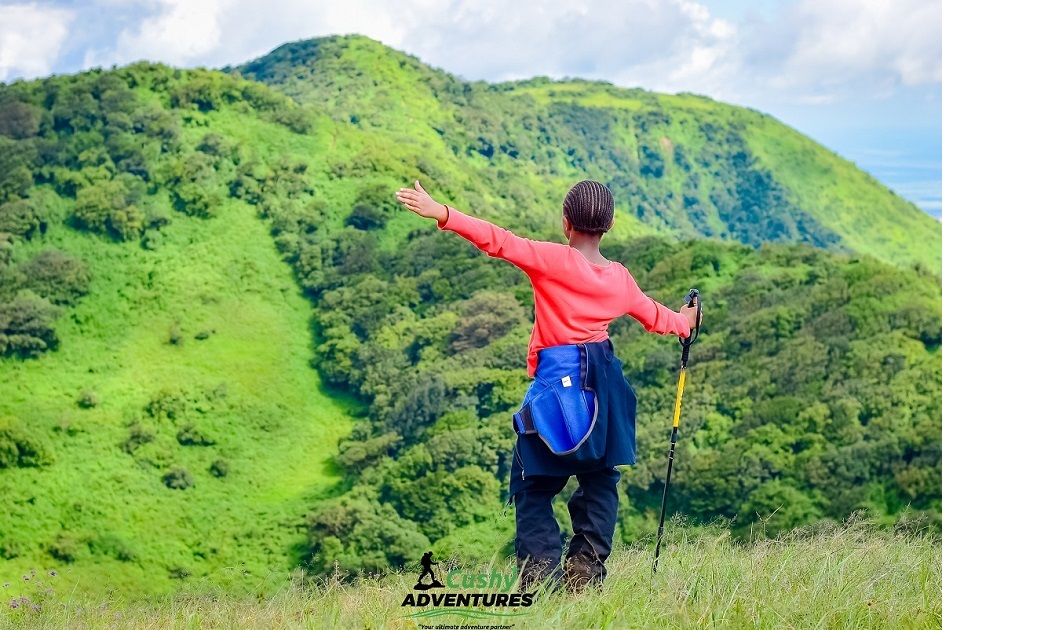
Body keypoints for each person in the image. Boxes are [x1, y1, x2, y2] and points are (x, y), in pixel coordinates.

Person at [395, 179, 698, 592]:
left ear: (565, 222)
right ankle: (585, 572)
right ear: (608, 225)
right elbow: (661, 320)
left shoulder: (554, 260)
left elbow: (498, 240)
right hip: (603, 391)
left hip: (556, 392)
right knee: (601, 477)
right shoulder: (620, 279)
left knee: (531, 484)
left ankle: (539, 578)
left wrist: (442, 212)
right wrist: (687, 320)